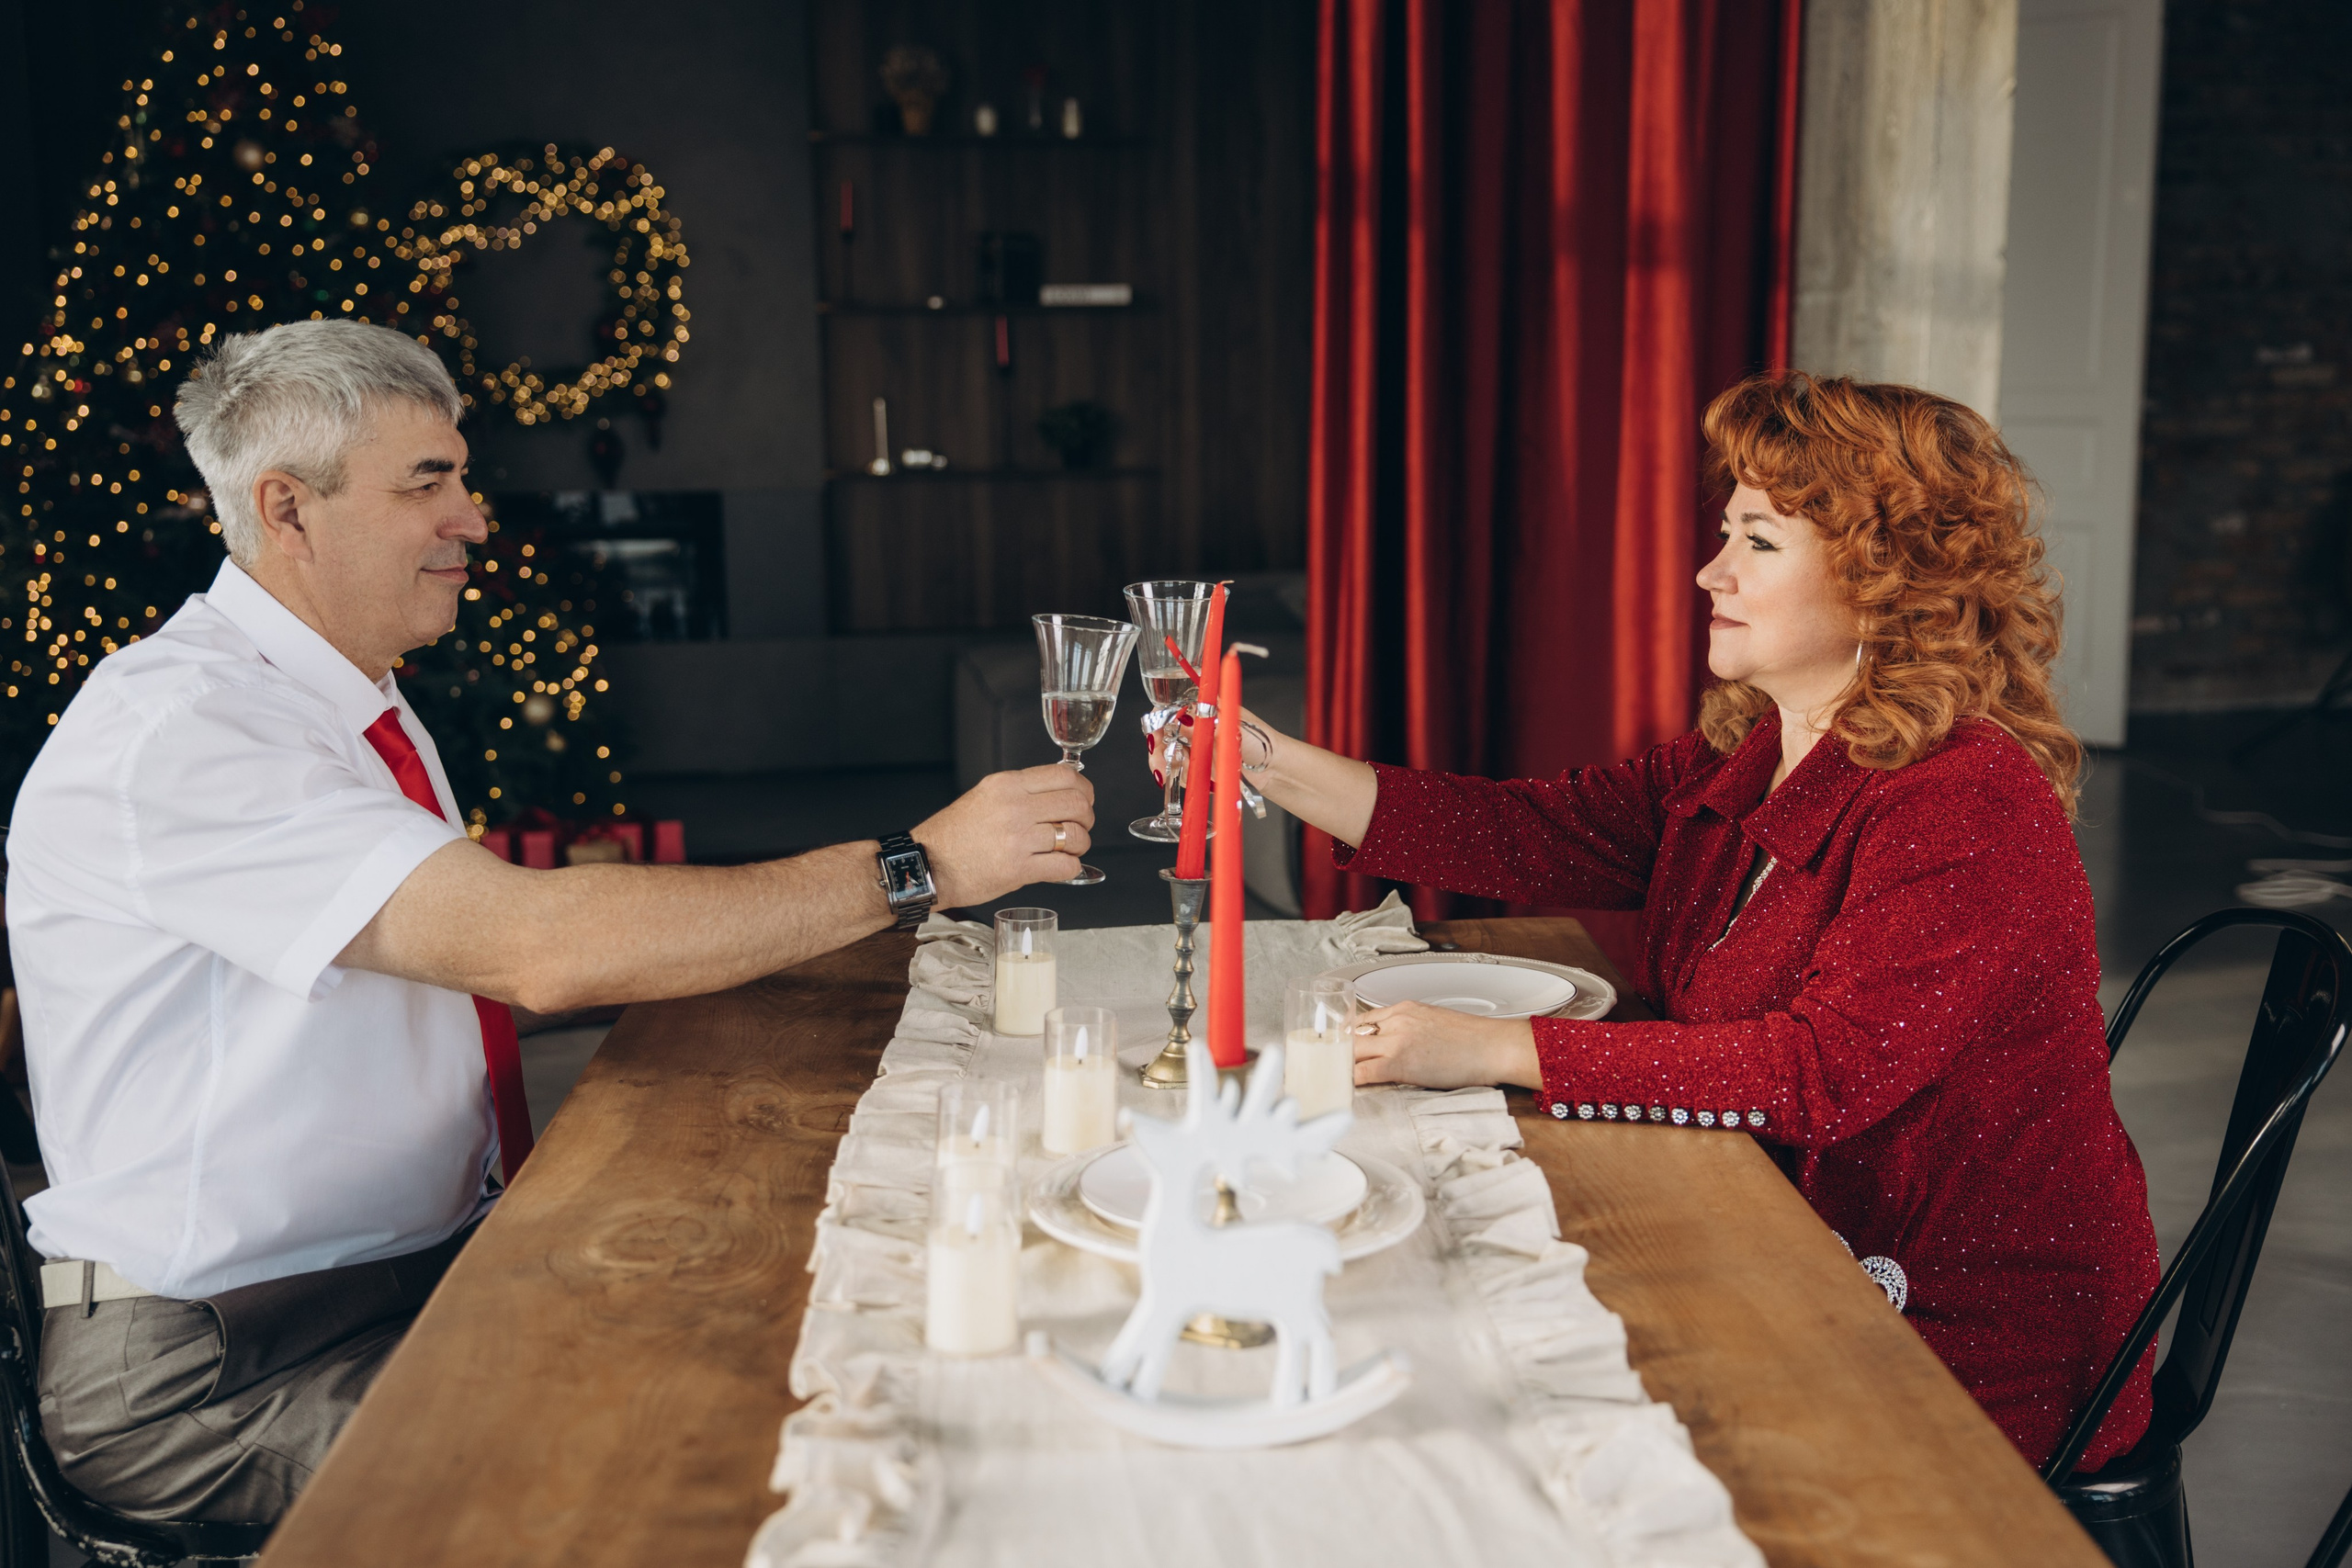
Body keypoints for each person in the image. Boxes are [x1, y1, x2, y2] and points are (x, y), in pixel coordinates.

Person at [5, 320, 1096, 1522]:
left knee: (790, 1302)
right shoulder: (188, 732)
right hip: (217, 1359)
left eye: (462, 478)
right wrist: (917, 863)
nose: (472, 516)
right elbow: (541, 947)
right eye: (429, 483)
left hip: (401, 1266)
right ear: (287, 509)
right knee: (684, 1465)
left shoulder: (345, 696)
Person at [1237, 372, 2161, 1473]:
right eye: (1727, 532)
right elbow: (1529, 833)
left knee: (1502, 1411)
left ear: (1882, 579)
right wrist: (1254, 756)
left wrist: (1485, 1045)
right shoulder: (1759, 747)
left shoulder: (1964, 797)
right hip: (1777, 1232)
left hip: (1954, 1330)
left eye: (1758, 543)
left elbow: (1823, 1071)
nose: (1708, 571)